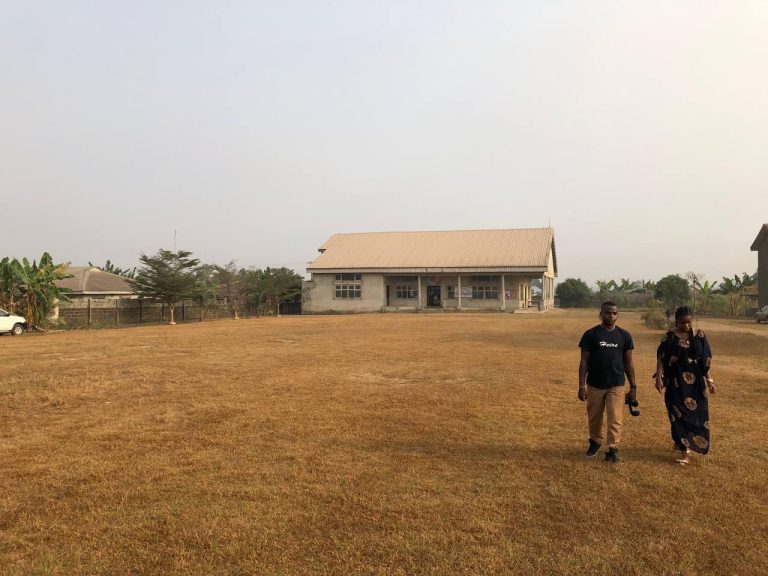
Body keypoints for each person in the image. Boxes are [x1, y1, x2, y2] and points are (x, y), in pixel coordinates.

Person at [655, 306, 715, 465]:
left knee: (697, 416)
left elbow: (704, 362)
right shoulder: (669, 337)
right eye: (682, 323)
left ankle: (686, 444)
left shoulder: (699, 336)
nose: (686, 326)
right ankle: (684, 450)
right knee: (676, 415)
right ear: (676, 321)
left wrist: (709, 381)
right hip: (675, 383)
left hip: (695, 384)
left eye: (689, 322)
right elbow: (660, 358)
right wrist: (658, 378)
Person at [578, 301, 637, 463]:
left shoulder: (624, 336)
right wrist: (582, 385)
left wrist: (633, 386)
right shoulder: (590, 334)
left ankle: (612, 449)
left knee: (615, 418)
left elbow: (628, 363)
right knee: (594, 417)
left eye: (614, 313)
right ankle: (595, 442)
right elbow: (584, 361)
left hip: (616, 384)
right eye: (608, 313)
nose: (611, 316)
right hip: (594, 384)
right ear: (601, 314)